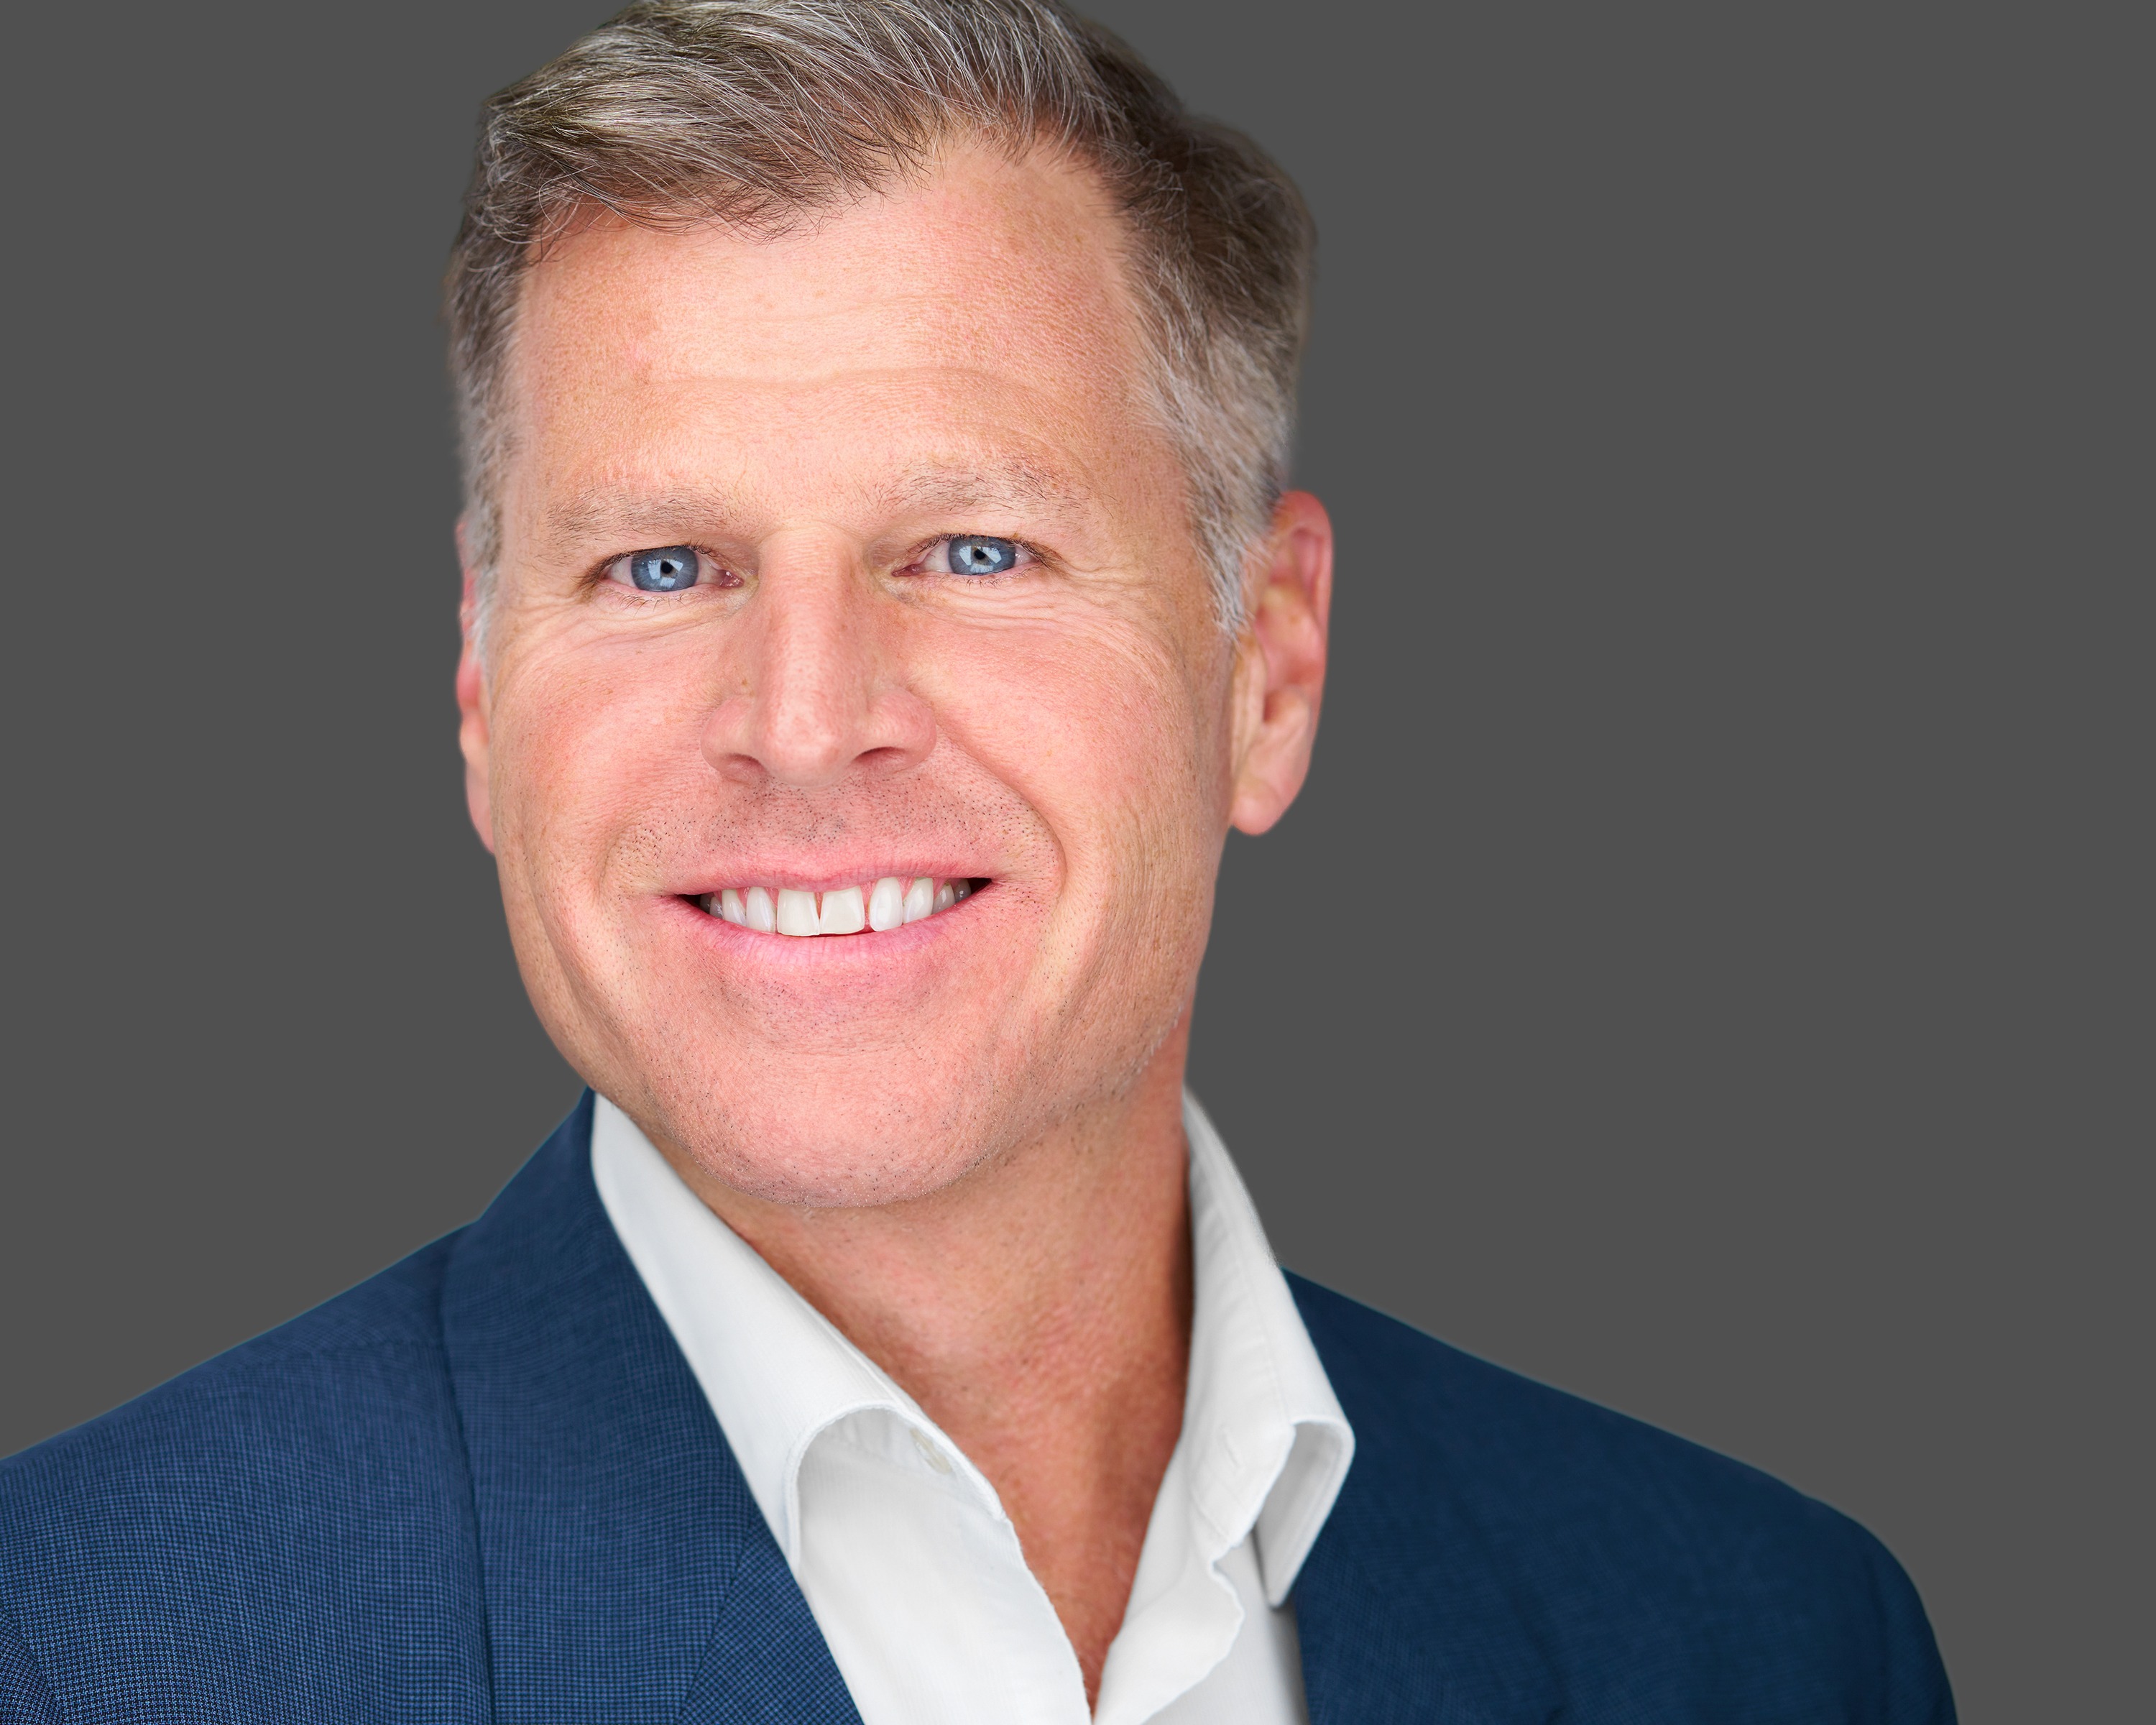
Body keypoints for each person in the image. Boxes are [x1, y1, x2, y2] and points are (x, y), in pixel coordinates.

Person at [0, 3, 1954, 1719]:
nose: (803, 717)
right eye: (662, 567)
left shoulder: (1766, 1645)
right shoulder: (84, 1648)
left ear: (1267, 669)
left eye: (972, 551)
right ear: (481, 686)